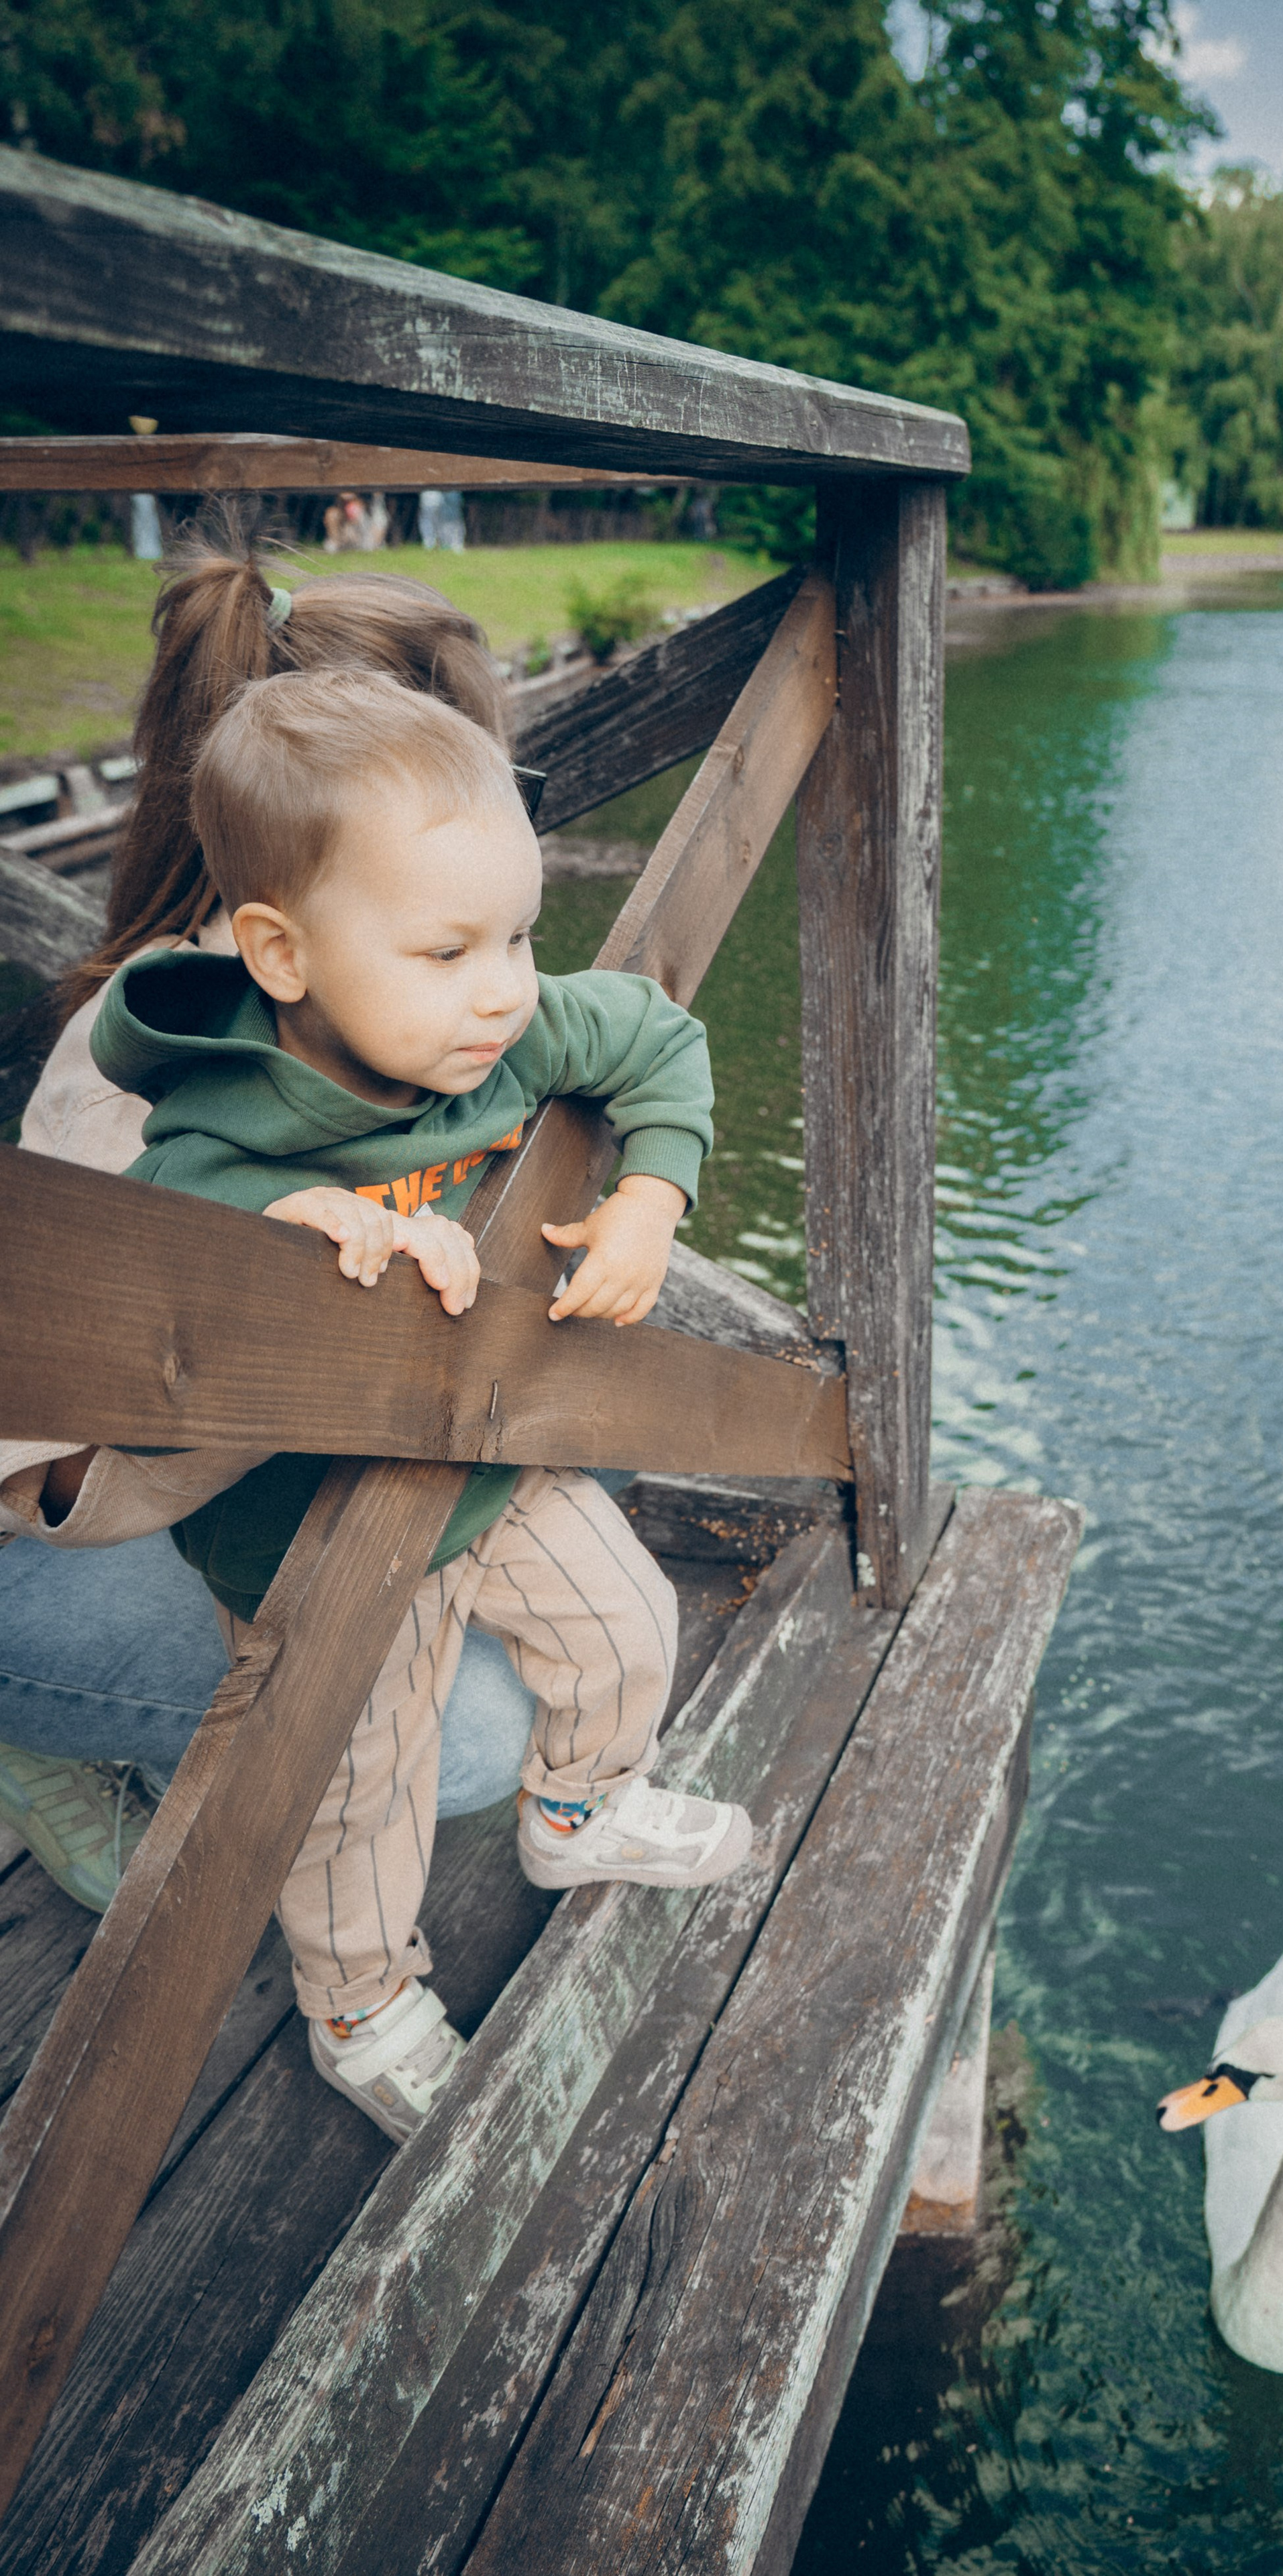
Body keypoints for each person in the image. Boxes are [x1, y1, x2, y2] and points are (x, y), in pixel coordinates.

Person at [15, 663, 748, 2141]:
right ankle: (362, 2004)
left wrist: (649, 1198)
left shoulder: (500, 1026)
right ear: (283, 953)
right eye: (444, 949)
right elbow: (151, 1367)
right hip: (309, 1527)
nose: (501, 987)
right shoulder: (210, 1142)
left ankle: (581, 1804)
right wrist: (277, 1253)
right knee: (362, 1778)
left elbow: (656, 1036)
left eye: (521, 936)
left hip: (480, 1458)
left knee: (630, 1620)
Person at [0, 537, 544, 1909]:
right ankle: (33, 1731)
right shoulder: (153, 1067)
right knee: (472, 1737)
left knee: (524, 1639)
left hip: (228, 1482)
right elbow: (88, 1444)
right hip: (59, 1520)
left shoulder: (350, 1010)